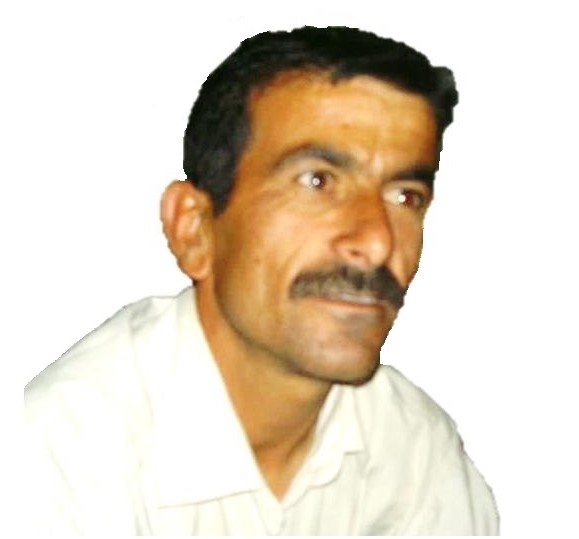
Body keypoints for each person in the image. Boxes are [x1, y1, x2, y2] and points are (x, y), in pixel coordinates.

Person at [25, 26, 499, 535]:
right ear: (194, 229)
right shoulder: (56, 458)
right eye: (317, 181)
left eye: (405, 196)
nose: (378, 242)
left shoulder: (413, 448)